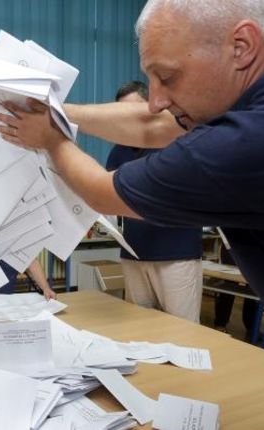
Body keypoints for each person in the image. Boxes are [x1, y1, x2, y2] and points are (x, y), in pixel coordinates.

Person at [0, 0, 264, 426]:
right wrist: (61, 115)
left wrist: (51, 139)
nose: (157, 98)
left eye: (168, 76)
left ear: (241, 45)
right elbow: (154, 125)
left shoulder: (259, 138)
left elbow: (105, 193)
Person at [105, 81, 203, 323]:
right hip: (133, 254)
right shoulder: (119, 150)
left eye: (133, 110)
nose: (127, 117)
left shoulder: (177, 141)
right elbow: (109, 193)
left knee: (184, 330)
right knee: (139, 328)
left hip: (175, 254)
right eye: (121, 112)